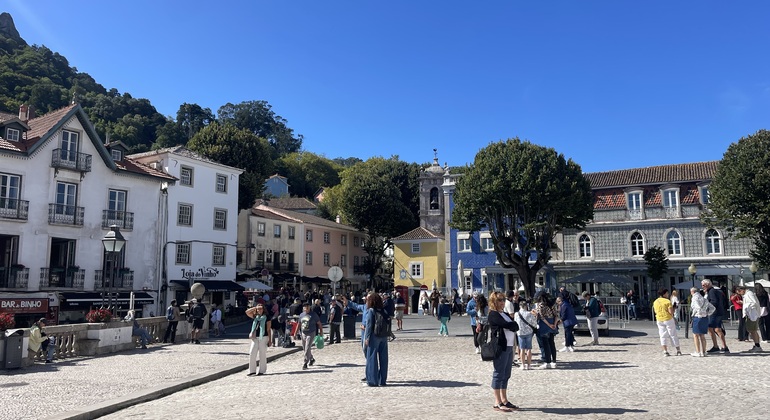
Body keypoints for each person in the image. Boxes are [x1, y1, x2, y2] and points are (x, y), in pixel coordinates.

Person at [488, 291, 520, 412]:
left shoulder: (504, 313)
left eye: (503, 300)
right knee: (498, 373)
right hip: (500, 347)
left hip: (509, 346)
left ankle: (504, 399)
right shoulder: (493, 314)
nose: (502, 302)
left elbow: (515, 325)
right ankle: (497, 402)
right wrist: (511, 324)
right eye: (499, 300)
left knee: (506, 374)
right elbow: (508, 325)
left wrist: (511, 324)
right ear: (494, 302)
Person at [363, 293, 389, 387]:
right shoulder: (383, 310)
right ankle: (382, 380)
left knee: (372, 358)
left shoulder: (371, 311)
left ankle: (372, 381)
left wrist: (367, 338)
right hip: (384, 336)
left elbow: (369, 325)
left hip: (374, 336)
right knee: (384, 359)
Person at [702, 279, 729, 353]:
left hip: (714, 313)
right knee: (717, 329)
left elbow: (714, 301)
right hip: (718, 312)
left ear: (707, 285)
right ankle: (724, 346)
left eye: (703, 285)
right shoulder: (714, 291)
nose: (702, 286)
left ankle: (716, 346)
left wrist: (707, 308)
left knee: (710, 328)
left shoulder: (711, 291)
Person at [653, 288, 681, 356]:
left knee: (662, 335)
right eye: (667, 293)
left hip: (659, 319)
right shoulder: (667, 301)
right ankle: (678, 350)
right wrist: (674, 308)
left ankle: (665, 351)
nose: (668, 294)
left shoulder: (655, 301)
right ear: (664, 294)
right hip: (668, 319)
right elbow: (671, 312)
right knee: (673, 334)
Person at [535, 292, 560, 369]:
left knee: (546, 344)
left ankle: (548, 361)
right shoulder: (552, 305)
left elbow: (541, 317)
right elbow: (556, 315)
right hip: (552, 323)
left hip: (544, 325)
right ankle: (554, 361)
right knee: (552, 343)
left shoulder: (540, 306)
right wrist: (554, 324)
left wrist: (548, 324)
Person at [246, 303, 272, 376]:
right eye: (258, 309)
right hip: (255, 337)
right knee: (252, 353)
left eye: (261, 309)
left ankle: (262, 370)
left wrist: (270, 340)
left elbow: (269, 329)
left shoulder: (267, 317)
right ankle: (252, 370)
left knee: (262, 354)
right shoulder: (255, 316)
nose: (259, 310)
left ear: (263, 309)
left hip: (263, 337)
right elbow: (247, 312)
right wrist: (254, 308)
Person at [736, 285, 763, 352]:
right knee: (752, 330)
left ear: (742, 290)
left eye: (739, 292)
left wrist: (745, 305)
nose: (739, 293)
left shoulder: (749, 294)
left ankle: (757, 346)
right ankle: (757, 344)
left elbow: (753, 303)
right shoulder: (748, 294)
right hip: (750, 314)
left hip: (752, 315)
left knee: (753, 330)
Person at [690, 287, 714, 357]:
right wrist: (707, 313)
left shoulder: (694, 298)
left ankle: (698, 352)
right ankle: (703, 351)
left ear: (692, 292)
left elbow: (697, 307)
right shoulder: (704, 299)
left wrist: (700, 312)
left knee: (695, 335)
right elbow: (712, 308)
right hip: (705, 318)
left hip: (698, 317)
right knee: (702, 335)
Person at [298, 302, 323, 370]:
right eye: (305, 307)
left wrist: (321, 332)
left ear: (309, 307)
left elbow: (319, 323)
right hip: (303, 333)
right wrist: (295, 333)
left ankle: (305, 363)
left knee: (307, 347)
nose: (306, 308)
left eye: (307, 306)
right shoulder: (301, 315)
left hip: (311, 333)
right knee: (304, 348)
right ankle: (311, 358)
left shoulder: (313, 315)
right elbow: (299, 324)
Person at [514, 299, 537, 370]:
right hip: (529, 332)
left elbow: (515, 322)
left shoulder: (516, 314)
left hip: (520, 332)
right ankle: (529, 365)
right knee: (529, 349)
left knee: (522, 348)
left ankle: (523, 364)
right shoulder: (529, 313)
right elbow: (534, 322)